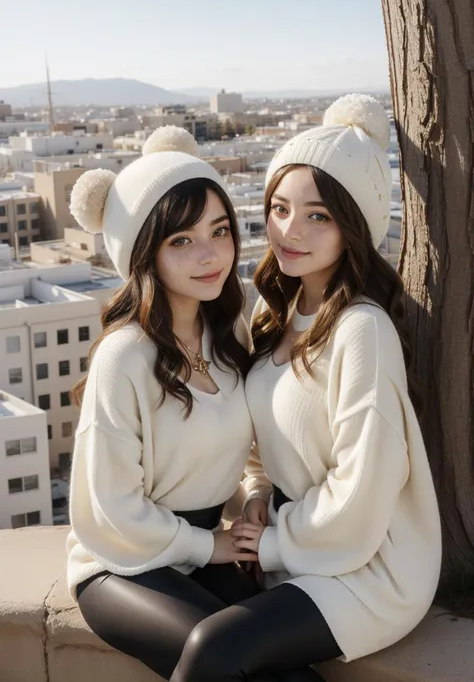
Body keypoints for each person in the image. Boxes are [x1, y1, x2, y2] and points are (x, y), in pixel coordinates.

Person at [166, 95, 442, 682]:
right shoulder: (275, 317)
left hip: (370, 568)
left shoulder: (362, 329)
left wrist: (271, 543)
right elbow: (265, 447)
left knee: (213, 649)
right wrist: (259, 490)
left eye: (319, 216)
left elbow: (362, 491)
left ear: (354, 226)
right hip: (301, 550)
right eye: (279, 208)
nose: (289, 231)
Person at [66, 126, 264, 680]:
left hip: (204, 549)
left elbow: (251, 453)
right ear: (144, 253)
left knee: (288, 668)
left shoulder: (227, 334)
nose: (210, 255)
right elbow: (114, 507)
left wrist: (254, 496)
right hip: (121, 562)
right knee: (223, 658)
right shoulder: (124, 357)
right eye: (181, 240)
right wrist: (211, 546)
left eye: (220, 231)